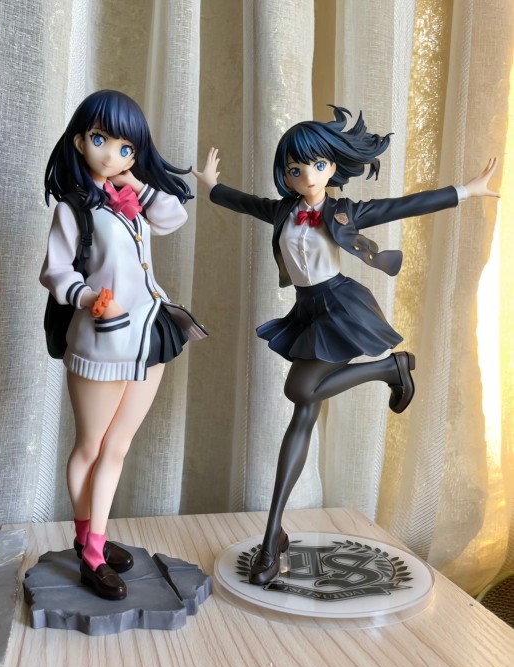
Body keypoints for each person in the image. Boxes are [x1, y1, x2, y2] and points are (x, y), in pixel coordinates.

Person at [193, 106, 499, 586]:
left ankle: (390, 369)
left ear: (332, 166)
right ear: (286, 174)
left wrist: (466, 190)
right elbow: (244, 202)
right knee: (303, 414)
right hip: (306, 310)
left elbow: (404, 205)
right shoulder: (283, 210)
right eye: (295, 169)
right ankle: (273, 535)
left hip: (340, 306)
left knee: (300, 390)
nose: (307, 176)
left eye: (317, 165)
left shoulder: (344, 211)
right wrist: (212, 186)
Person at [41, 90, 205, 599]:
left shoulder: (130, 200)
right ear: (79, 142)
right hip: (101, 340)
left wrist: (134, 182)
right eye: (101, 140)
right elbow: (55, 272)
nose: (112, 154)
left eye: (126, 148)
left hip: (149, 333)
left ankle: (95, 538)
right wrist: (90, 297)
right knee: (91, 447)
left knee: (118, 446)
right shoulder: (73, 208)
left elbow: (174, 218)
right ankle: (90, 549)